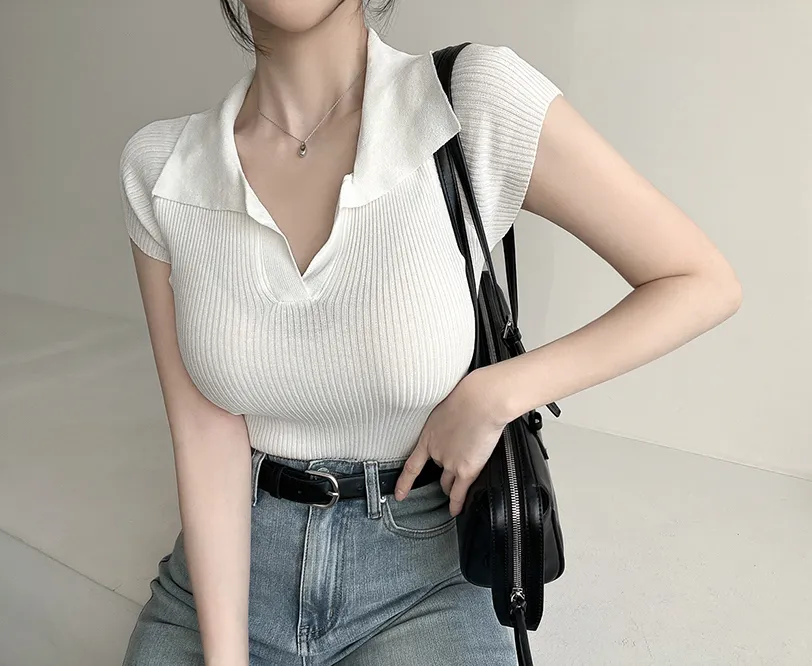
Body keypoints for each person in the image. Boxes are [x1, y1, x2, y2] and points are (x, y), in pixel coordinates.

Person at [117, 1, 742, 664]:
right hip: (227, 579)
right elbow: (205, 434)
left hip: (422, 577)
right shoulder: (164, 169)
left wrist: (496, 393)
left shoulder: (467, 104)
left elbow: (700, 280)